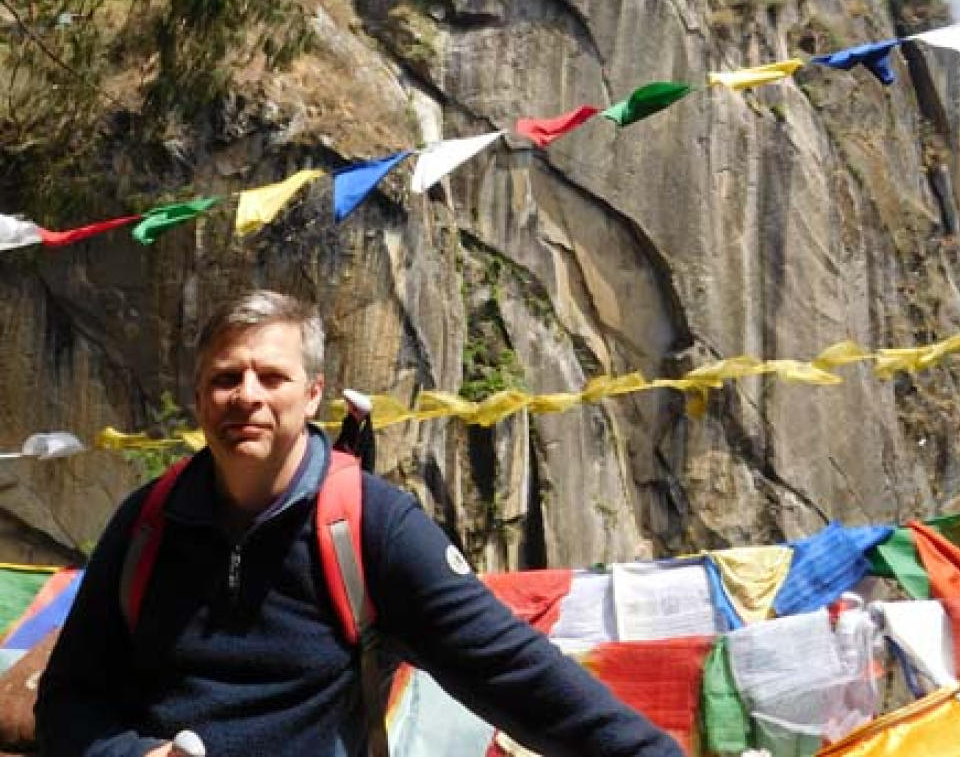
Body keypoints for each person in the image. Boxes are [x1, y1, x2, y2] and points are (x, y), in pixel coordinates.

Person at [36, 290, 685, 757]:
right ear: (199, 395)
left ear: (313, 393)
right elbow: (69, 698)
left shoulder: (369, 526)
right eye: (225, 378)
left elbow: (511, 670)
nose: (248, 396)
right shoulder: (146, 525)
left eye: (272, 376)